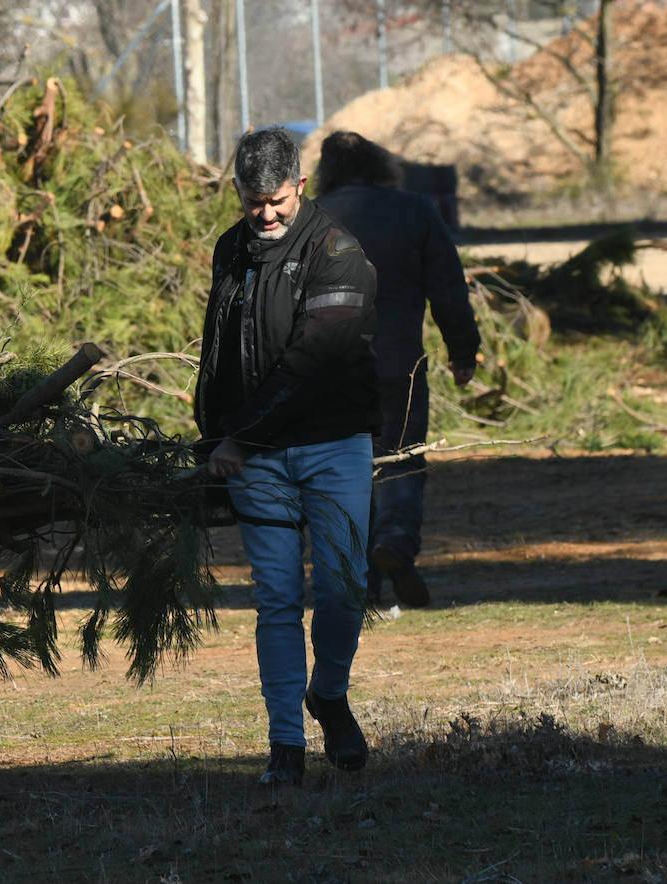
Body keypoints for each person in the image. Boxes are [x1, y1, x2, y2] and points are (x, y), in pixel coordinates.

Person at [194, 126, 378, 787]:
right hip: (255, 459)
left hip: (334, 448)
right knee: (275, 599)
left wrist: (240, 436)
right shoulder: (231, 250)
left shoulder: (339, 252)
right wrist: (213, 438)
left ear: (299, 186)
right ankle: (285, 748)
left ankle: (328, 692)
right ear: (237, 193)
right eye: (252, 202)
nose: (265, 215)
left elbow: (312, 363)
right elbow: (217, 353)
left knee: (342, 587)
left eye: (276, 200)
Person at [314, 131, 480, 608]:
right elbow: (448, 288)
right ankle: (397, 541)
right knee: (403, 458)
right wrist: (462, 351)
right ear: (379, 165)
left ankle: (360, 579)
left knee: (345, 471)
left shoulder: (312, 218)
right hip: (399, 365)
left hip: (332, 369)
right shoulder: (415, 210)